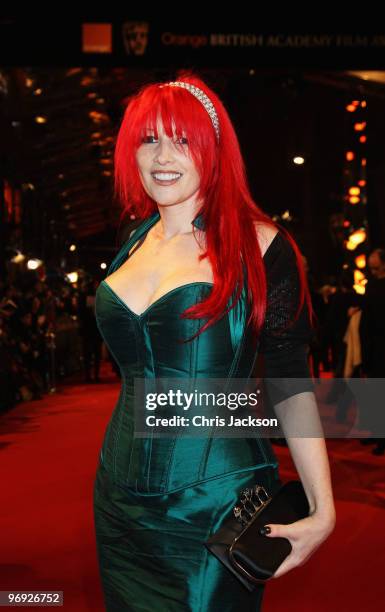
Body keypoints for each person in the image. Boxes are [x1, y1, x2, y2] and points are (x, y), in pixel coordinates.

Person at [93, 72, 336, 611]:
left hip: (216, 503)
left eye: (181, 139)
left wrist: (323, 505)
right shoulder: (133, 241)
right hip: (117, 502)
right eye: (148, 139)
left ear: (213, 149)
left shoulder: (261, 244)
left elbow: (289, 377)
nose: (162, 155)